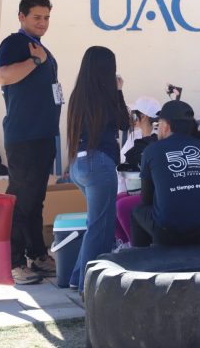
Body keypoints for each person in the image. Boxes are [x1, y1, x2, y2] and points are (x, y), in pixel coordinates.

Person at [0, 0, 61, 285]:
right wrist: (35, 60)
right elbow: (2, 76)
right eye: (37, 17)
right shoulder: (15, 43)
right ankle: (13, 262)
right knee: (21, 201)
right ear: (21, 16)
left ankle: (37, 255)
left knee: (35, 201)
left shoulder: (41, 46)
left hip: (43, 135)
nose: (43, 22)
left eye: (46, 17)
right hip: (24, 136)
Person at [66, 46, 130, 294]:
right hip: (99, 165)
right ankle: (89, 286)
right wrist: (119, 91)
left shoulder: (79, 94)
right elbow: (124, 122)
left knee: (95, 223)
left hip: (78, 164)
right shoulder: (105, 94)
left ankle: (76, 277)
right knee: (101, 227)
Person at [131, 100, 200, 247]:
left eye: (159, 124)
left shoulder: (151, 150)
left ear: (166, 126)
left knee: (137, 211)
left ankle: (142, 258)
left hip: (168, 233)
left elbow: (146, 199)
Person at [115, 96, 161, 247]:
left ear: (144, 116)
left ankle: (134, 247)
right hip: (137, 187)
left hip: (154, 192)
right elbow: (123, 162)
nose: (132, 118)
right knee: (112, 201)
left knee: (121, 205)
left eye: (135, 114)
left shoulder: (158, 138)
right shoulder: (135, 135)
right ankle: (124, 244)